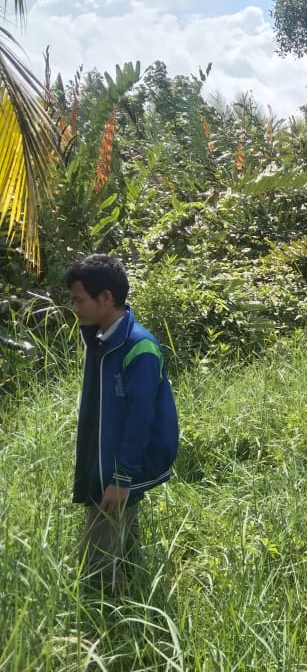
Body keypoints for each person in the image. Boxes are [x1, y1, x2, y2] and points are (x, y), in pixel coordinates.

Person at [65, 254, 179, 595]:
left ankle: (99, 619)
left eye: (78, 299)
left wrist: (122, 476)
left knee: (96, 560)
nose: (74, 307)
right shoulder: (101, 339)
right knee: (124, 536)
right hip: (105, 458)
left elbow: (140, 418)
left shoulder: (138, 346)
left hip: (120, 466)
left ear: (106, 298)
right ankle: (131, 591)